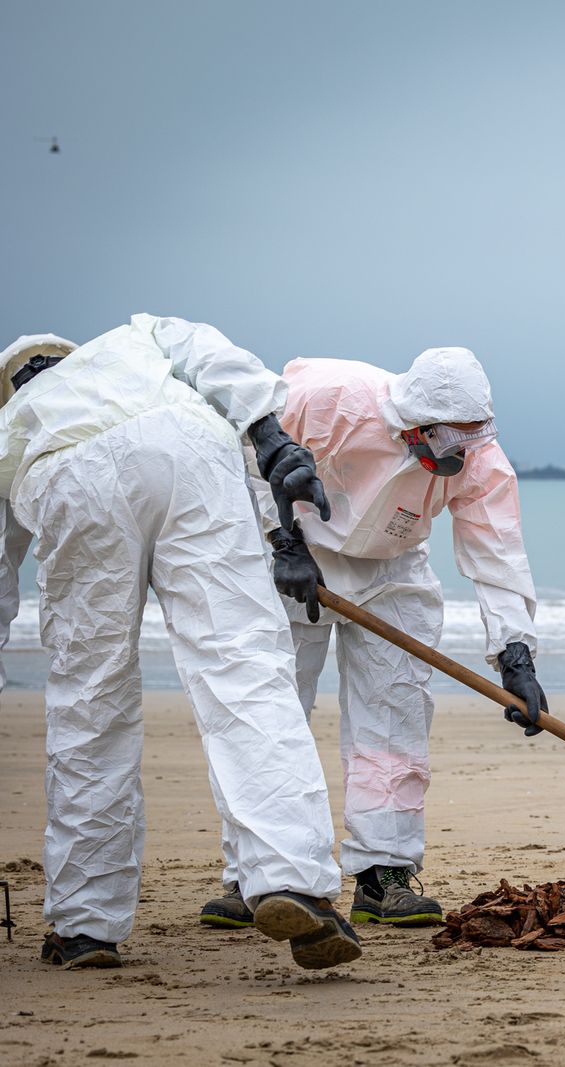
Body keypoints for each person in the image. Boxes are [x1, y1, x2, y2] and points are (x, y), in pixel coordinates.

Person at [0, 318, 361, 970]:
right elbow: (215, 357)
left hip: (65, 476)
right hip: (185, 447)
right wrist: (272, 438)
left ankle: (84, 925)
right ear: (67, 357)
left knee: (90, 701)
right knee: (244, 667)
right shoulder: (135, 338)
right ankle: (291, 877)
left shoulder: (12, 425)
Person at [199, 346, 546, 929]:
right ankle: (253, 874)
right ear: (414, 424)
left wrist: (517, 657)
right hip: (292, 564)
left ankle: (384, 873)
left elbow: (498, 551)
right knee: (270, 716)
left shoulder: (479, 455)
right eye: (446, 440)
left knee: (394, 720)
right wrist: (283, 542)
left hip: (392, 569)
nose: (457, 453)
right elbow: (248, 465)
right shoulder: (328, 399)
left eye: (467, 439)